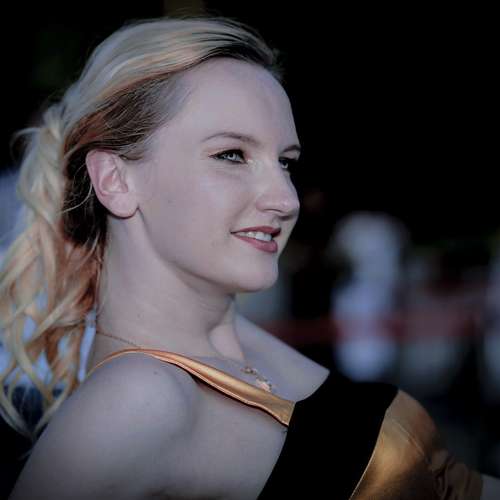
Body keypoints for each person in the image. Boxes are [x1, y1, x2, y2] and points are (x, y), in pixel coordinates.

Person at [0, 15, 498, 499]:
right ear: (115, 180)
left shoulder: (228, 342)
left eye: (286, 162)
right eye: (232, 155)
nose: (286, 199)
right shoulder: (136, 400)